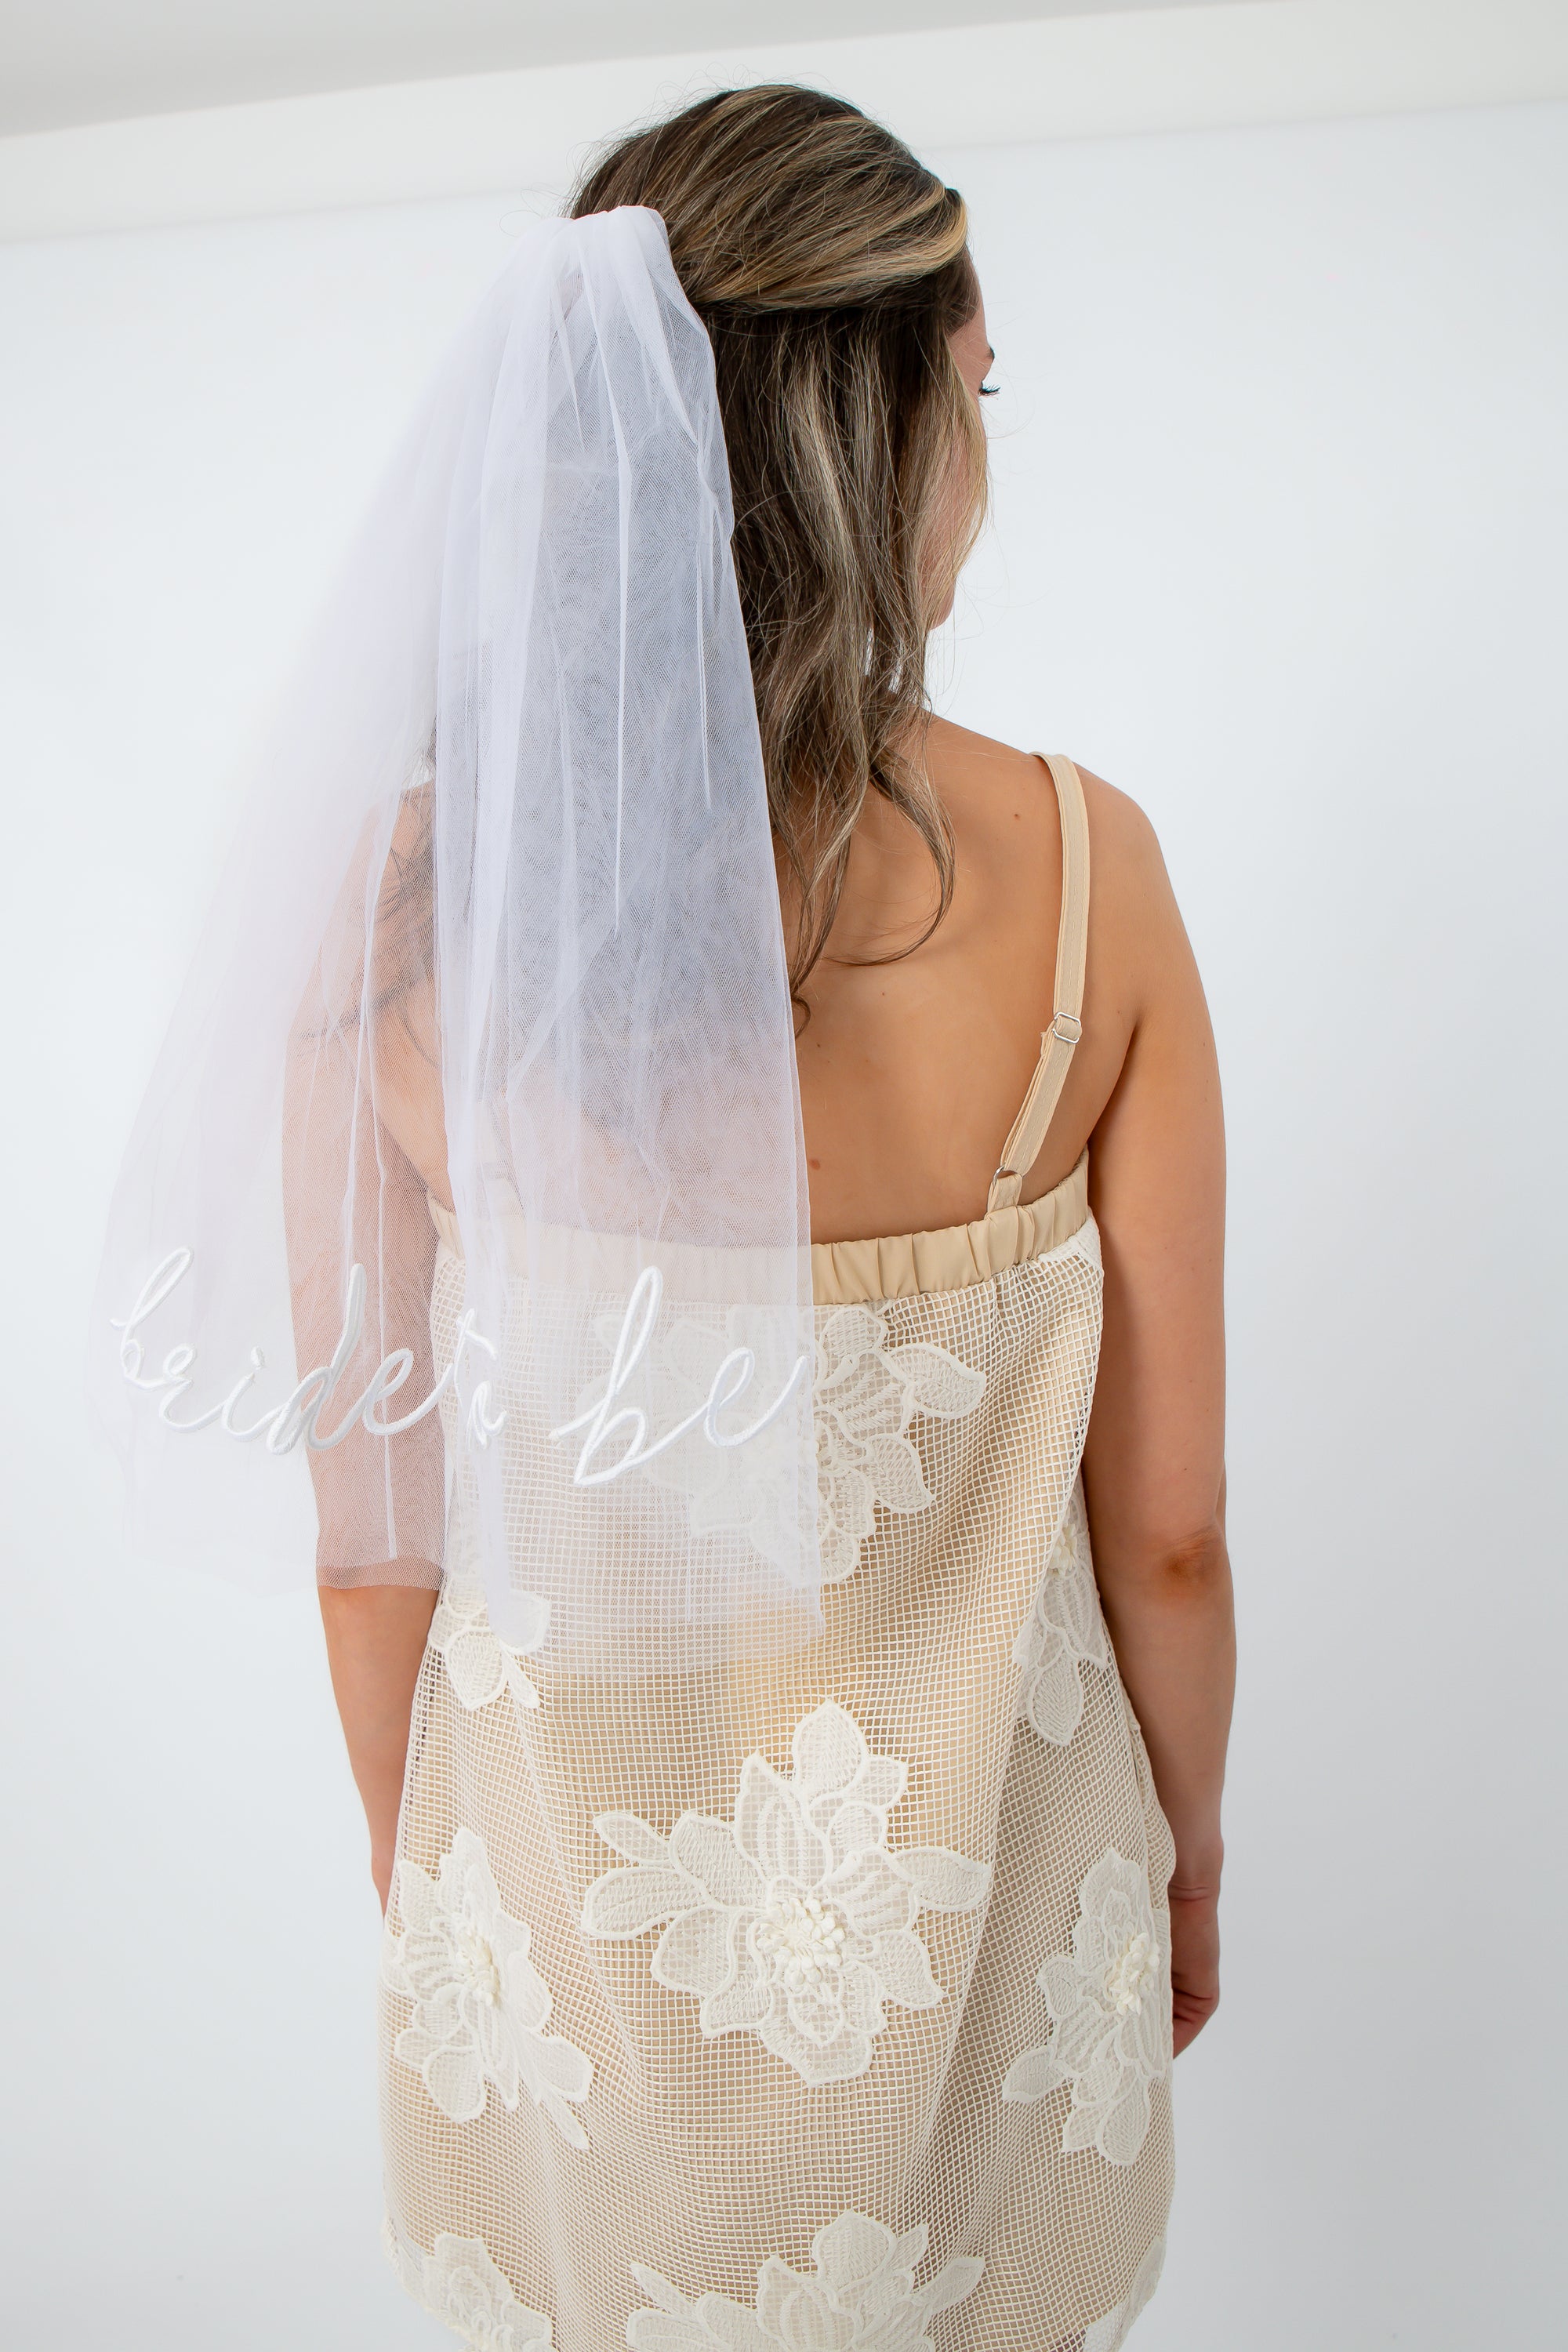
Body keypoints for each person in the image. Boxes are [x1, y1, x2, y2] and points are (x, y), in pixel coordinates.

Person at [101, 82, 1230, 2352]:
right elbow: (1173, 1533)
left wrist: (460, 1905)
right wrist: (1187, 1868)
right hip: (1000, 1936)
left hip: (569, 1947)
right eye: (974, 393)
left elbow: (372, 1546)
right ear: (884, 437)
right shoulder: (1093, 878)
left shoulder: (412, 920)